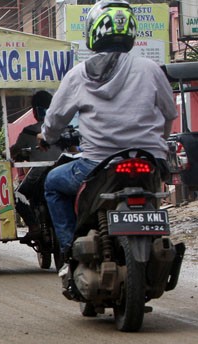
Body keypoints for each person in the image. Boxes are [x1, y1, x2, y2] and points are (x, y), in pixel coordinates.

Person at [38, 0, 177, 273]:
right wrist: (157, 144)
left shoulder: (78, 75)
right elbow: (169, 113)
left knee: (52, 184)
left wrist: (46, 137)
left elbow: (54, 120)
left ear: (93, 33)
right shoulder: (151, 69)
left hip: (96, 165)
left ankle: (68, 254)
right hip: (149, 161)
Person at [11, 91, 62, 242]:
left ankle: (34, 227)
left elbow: (15, 151)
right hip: (61, 168)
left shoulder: (29, 131)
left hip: (38, 172)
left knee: (17, 196)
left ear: (34, 111)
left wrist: (16, 153)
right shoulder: (63, 127)